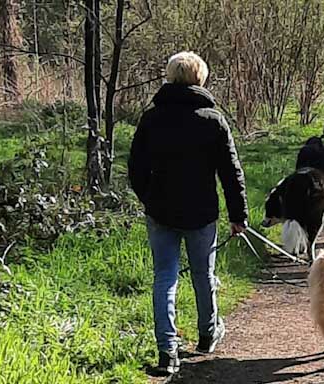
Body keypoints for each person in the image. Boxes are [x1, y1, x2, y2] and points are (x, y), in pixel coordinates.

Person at [128, 51, 248, 376]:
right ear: (201, 78)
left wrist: (149, 198)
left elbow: (135, 168)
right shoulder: (213, 120)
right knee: (202, 276)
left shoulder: (152, 118)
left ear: (169, 76)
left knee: (164, 278)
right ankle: (208, 335)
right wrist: (239, 215)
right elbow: (231, 172)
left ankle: (167, 351)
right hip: (201, 212)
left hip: (161, 211)